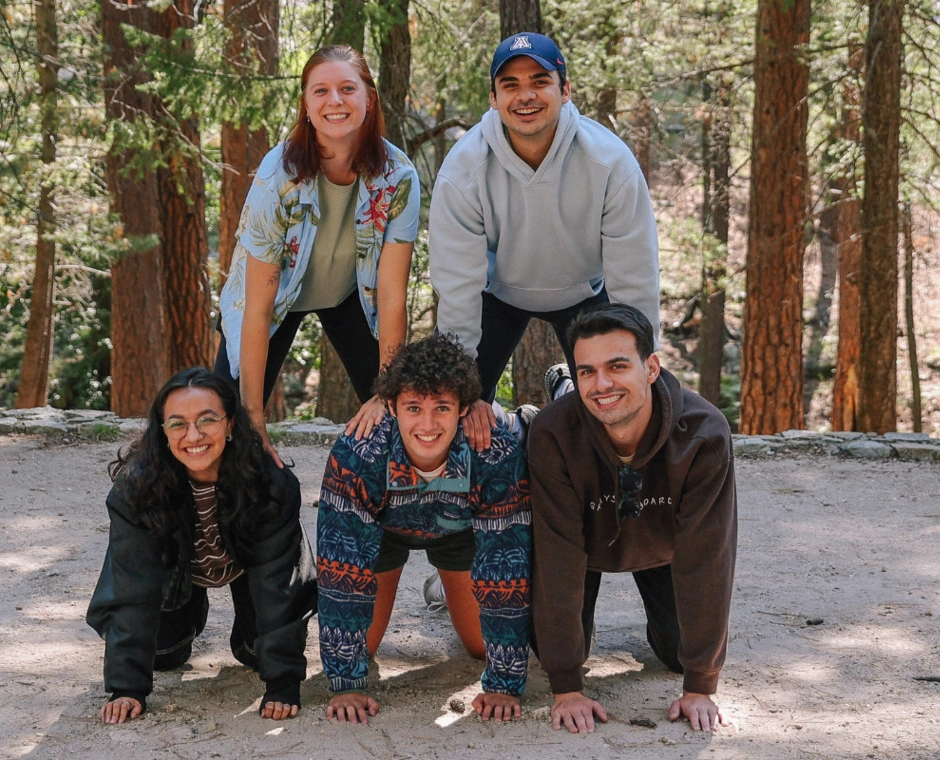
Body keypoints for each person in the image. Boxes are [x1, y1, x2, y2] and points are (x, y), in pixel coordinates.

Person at [428, 32, 660, 450]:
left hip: (586, 293)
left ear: (565, 90)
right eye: (510, 85)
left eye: (539, 81)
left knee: (620, 413)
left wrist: (640, 363)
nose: (526, 96)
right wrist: (464, 391)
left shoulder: (610, 162)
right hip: (494, 295)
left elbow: (635, 278)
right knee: (454, 412)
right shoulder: (463, 170)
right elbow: (456, 286)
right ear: (494, 99)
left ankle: (569, 394)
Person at [528, 304, 736, 735]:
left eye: (617, 366)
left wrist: (700, 684)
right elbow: (557, 555)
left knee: (677, 653)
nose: (602, 383)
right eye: (587, 371)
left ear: (652, 367)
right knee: (546, 646)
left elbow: (707, 558)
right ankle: (563, 390)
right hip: (586, 543)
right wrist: (566, 685)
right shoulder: (551, 435)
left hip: (662, 544)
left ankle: (567, 385)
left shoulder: (703, 433)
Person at [216, 45, 421, 466]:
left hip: (349, 295)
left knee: (400, 410)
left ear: (370, 98)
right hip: (272, 302)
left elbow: (391, 293)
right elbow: (258, 305)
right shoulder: (279, 177)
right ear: (306, 104)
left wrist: (386, 392)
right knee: (224, 423)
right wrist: (253, 416)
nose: (335, 101)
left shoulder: (398, 177)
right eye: (321, 91)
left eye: (348, 88)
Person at [315, 334, 531, 725]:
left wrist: (503, 683)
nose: (427, 424)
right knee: (359, 649)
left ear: (463, 408)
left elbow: (506, 563)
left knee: (482, 647)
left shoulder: (494, 453)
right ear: (392, 407)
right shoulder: (358, 452)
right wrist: (345, 683)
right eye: (413, 407)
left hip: (459, 531)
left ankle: (444, 584)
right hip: (381, 534)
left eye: (442, 408)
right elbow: (340, 568)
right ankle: (440, 585)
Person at [86, 368, 317, 725]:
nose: (193, 435)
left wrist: (282, 683)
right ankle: (191, 607)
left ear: (230, 424)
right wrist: (126, 687)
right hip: (177, 571)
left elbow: (280, 584)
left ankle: (249, 636)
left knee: (255, 652)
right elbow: (132, 584)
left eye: (207, 420)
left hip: (250, 566)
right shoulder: (137, 488)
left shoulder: (271, 484)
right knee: (163, 653)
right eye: (177, 424)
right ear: (162, 433)